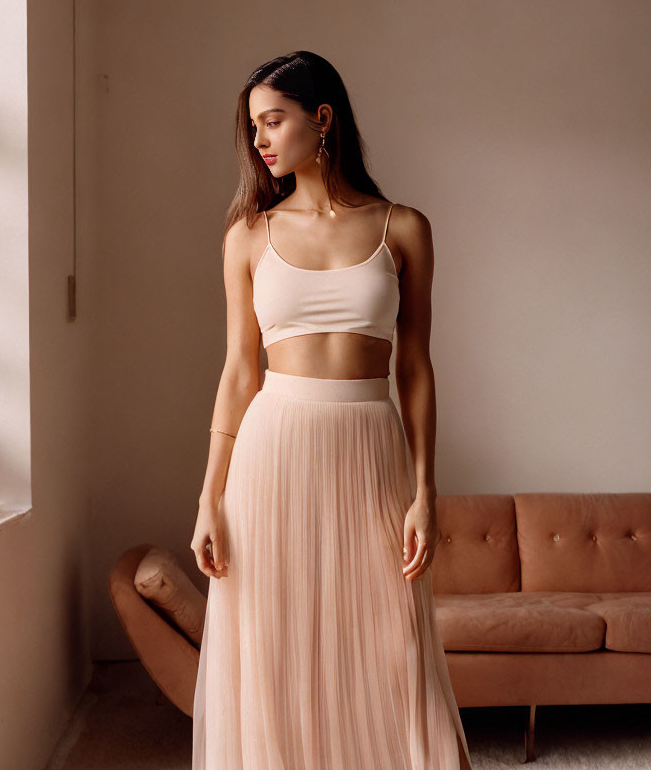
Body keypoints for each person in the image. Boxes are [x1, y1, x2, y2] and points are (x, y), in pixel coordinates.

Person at [191, 50, 474, 770]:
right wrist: (209, 497)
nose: (259, 140)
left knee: (390, 646)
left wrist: (425, 490)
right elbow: (237, 373)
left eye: (272, 120)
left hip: (369, 446)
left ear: (321, 119)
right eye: (253, 126)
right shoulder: (248, 237)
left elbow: (415, 368)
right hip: (271, 453)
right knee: (275, 651)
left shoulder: (403, 228)